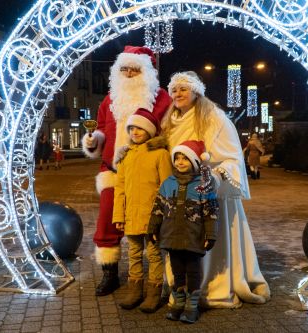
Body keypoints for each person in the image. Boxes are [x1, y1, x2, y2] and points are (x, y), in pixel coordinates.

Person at [161, 71, 270, 308]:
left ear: (196, 91)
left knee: (212, 241)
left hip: (212, 193)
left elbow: (232, 157)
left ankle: (211, 287)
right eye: (174, 90)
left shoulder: (214, 118)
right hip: (183, 194)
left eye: (183, 89)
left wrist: (216, 178)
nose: (177, 94)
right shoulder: (169, 121)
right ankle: (184, 288)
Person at [82, 46, 172, 296]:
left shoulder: (162, 98)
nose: (130, 74)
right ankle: (110, 275)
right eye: (125, 69)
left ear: (147, 71)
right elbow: (100, 129)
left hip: (147, 173)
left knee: (151, 224)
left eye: (136, 69)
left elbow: (171, 131)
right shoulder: (109, 100)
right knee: (107, 223)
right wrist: (93, 141)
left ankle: (157, 279)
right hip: (113, 171)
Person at [148, 140, 219, 324]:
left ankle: (192, 306)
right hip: (171, 236)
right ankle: (178, 304)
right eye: (177, 158)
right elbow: (158, 207)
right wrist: (153, 227)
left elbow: (211, 212)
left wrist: (210, 235)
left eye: (185, 158)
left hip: (193, 237)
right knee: (177, 271)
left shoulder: (204, 184)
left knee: (193, 272)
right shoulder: (167, 183)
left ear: (195, 162)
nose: (180, 162)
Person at [112, 108, 172, 313]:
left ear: (150, 130)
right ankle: (134, 292)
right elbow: (119, 189)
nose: (135, 132)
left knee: (155, 255)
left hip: (153, 216)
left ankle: (154, 293)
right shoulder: (126, 156)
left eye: (140, 128)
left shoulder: (160, 154)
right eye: (132, 128)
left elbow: (167, 187)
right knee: (134, 253)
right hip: (131, 215)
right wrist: (118, 216)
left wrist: (164, 215)